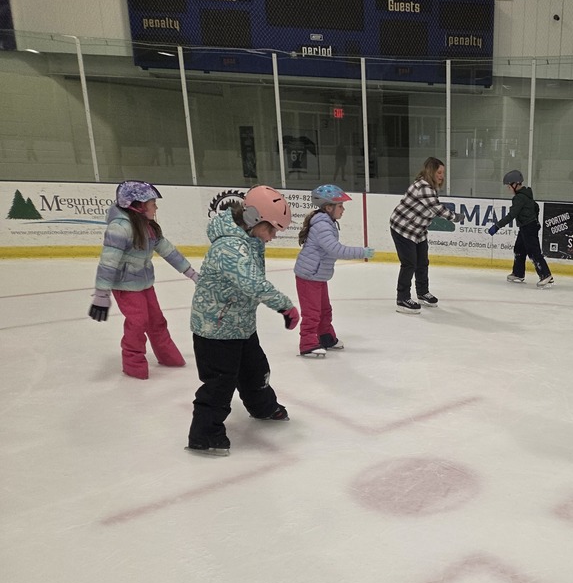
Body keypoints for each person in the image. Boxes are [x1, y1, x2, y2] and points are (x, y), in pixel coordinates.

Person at [186, 185, 299, 457]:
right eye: (271, 229)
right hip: (215, 329)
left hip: (239, 324)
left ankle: (262, 406)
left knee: (255, 370)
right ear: (252, 219)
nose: (272, 237)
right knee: (220, 383)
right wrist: (285, 306)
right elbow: (253, 284)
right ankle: (204, 434)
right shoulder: (230, 248)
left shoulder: (249, 240)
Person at [88, 181, 199, 380]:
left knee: (157, 320)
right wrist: (101, 294)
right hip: (125, 287)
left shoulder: (149, 227)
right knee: (138, 323)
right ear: (137, 205)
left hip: (144, 283)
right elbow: (108, 262)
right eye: (152, 203)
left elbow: (168, 251)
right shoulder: (119, 229)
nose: (156, 208)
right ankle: (133, 364)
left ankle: (168, 357)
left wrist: (191, 273)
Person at [294, 184, 375, 358]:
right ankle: (307, 344)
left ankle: (325, 337)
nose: (343, 209)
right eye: (340, 206)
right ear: (328, 207)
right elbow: (335, 250)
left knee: (324, 310)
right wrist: (362, 252)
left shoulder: (326, 222)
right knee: (312, 312)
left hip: (316, 275)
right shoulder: (322, 225)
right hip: (309, 276)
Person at [389, 156, 464, 314]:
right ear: (431, 171)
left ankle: (422, 293)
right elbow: (436, 209)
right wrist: (455, 217)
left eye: (443, 172)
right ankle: (402, 298)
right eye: (439, 172)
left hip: (418, 231)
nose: (442, 175)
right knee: (409, 263)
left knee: (422, 262)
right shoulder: (423, 186)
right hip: (402, 228)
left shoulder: (431, 187)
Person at [487, 169, 553, 287]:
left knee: (533, 252)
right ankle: (518, 273)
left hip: (528, 227)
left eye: (509, 186)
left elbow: (511, 215)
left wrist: (497, 226)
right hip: (526, 226)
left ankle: (545, 275)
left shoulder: (519, 198)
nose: (508, 188)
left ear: (515, 184)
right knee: (519, 249)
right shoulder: (526, 195)